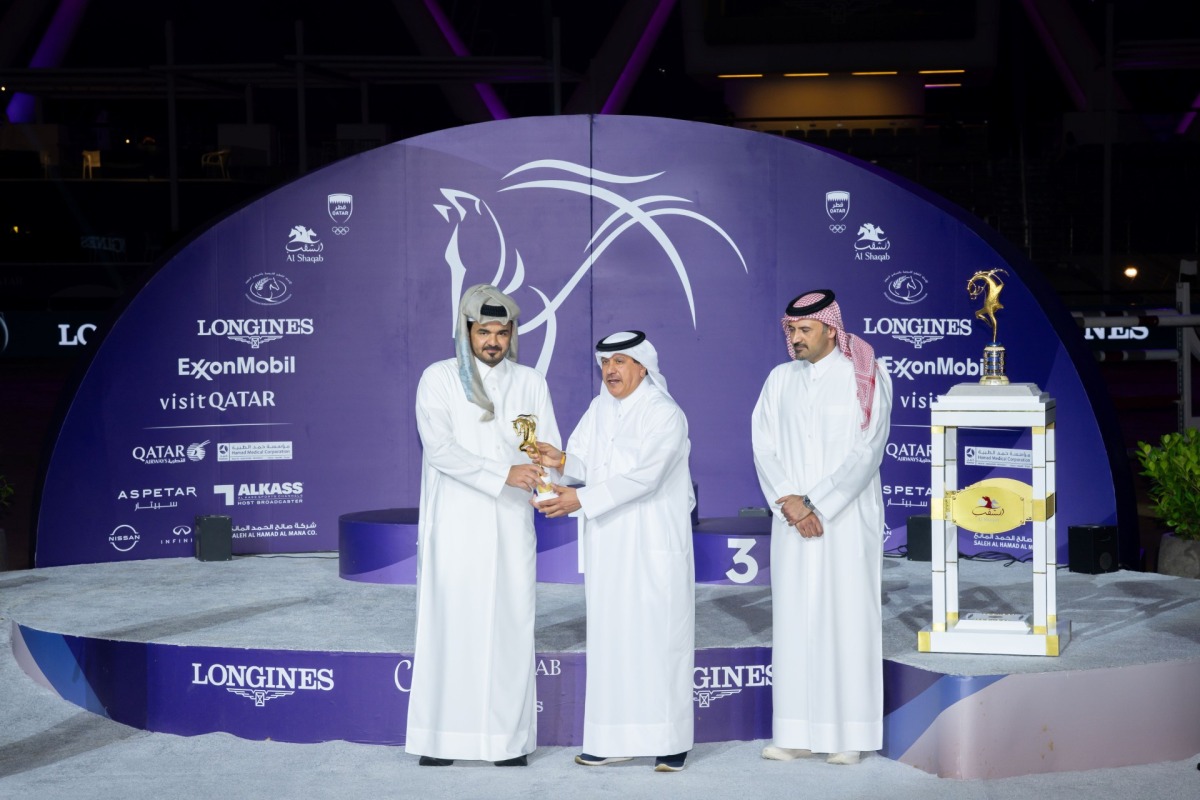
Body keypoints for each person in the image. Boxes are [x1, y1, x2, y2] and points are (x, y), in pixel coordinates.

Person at [405, 284, 561, 767]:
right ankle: (440, 740)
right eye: (483, 331)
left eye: (501, 331)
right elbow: (441, 450)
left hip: (512, 521)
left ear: (512, 333)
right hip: (455, 520)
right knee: (450, 624)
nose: (493, 340)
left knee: (510, 625)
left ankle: (506, 743)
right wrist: (503, 473)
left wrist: (546, 486)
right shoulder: (438, 378)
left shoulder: (530, 381)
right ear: (466, 331)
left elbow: (543, 445)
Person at [532, 331, 695, 773]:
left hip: (652, 543)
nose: (610, 371)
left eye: (620, 362)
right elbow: (587, 462)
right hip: (609, 544)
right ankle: (613, 738)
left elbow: (646, 478)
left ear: (643, 366)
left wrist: (579, 500)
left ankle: (670, 740)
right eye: (605, 363)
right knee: (612, 640)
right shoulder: (598, 408)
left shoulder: (665, 414)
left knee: (660, 639)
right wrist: (561, 461)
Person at [750, 289, 893, 766]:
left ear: (831, 329)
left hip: (846, 519)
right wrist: (791, 501)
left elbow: (867, 451)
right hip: (792, 520)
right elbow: (763, 445)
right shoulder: (778, 379)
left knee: (847, 619)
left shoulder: (867, 376)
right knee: (795, 620)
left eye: (804, 330)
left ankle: (848, 735)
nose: (794, 338)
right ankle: (794, 732)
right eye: (790, 330)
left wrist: (817, 503)